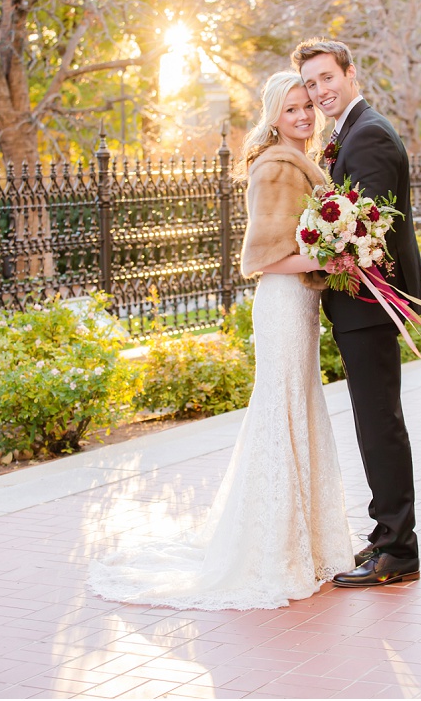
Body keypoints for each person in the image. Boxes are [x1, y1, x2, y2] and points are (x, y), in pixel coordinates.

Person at [88, 71, 354, 610]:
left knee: (297, 409)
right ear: (273, 117)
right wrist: (331, 258)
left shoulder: (304, 160)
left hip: (299, 304)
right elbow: (262, 258)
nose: (303, 116)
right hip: (282, 304)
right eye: (291, 110)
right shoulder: (277, 166)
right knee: (280, 413)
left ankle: (303, 542)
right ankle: (273, 549)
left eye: (307, 106)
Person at [293, 38, 421, 587]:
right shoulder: (350, 131)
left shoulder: (367, 133)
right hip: (359, 302)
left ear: (350, 74)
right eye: (309, 84)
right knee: (375, 422)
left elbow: (363, 230)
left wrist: (307, 249)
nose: (319, 92)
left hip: (370, 301)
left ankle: (398, 550)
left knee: (379, 425)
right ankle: (384, 538)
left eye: (326, 78)